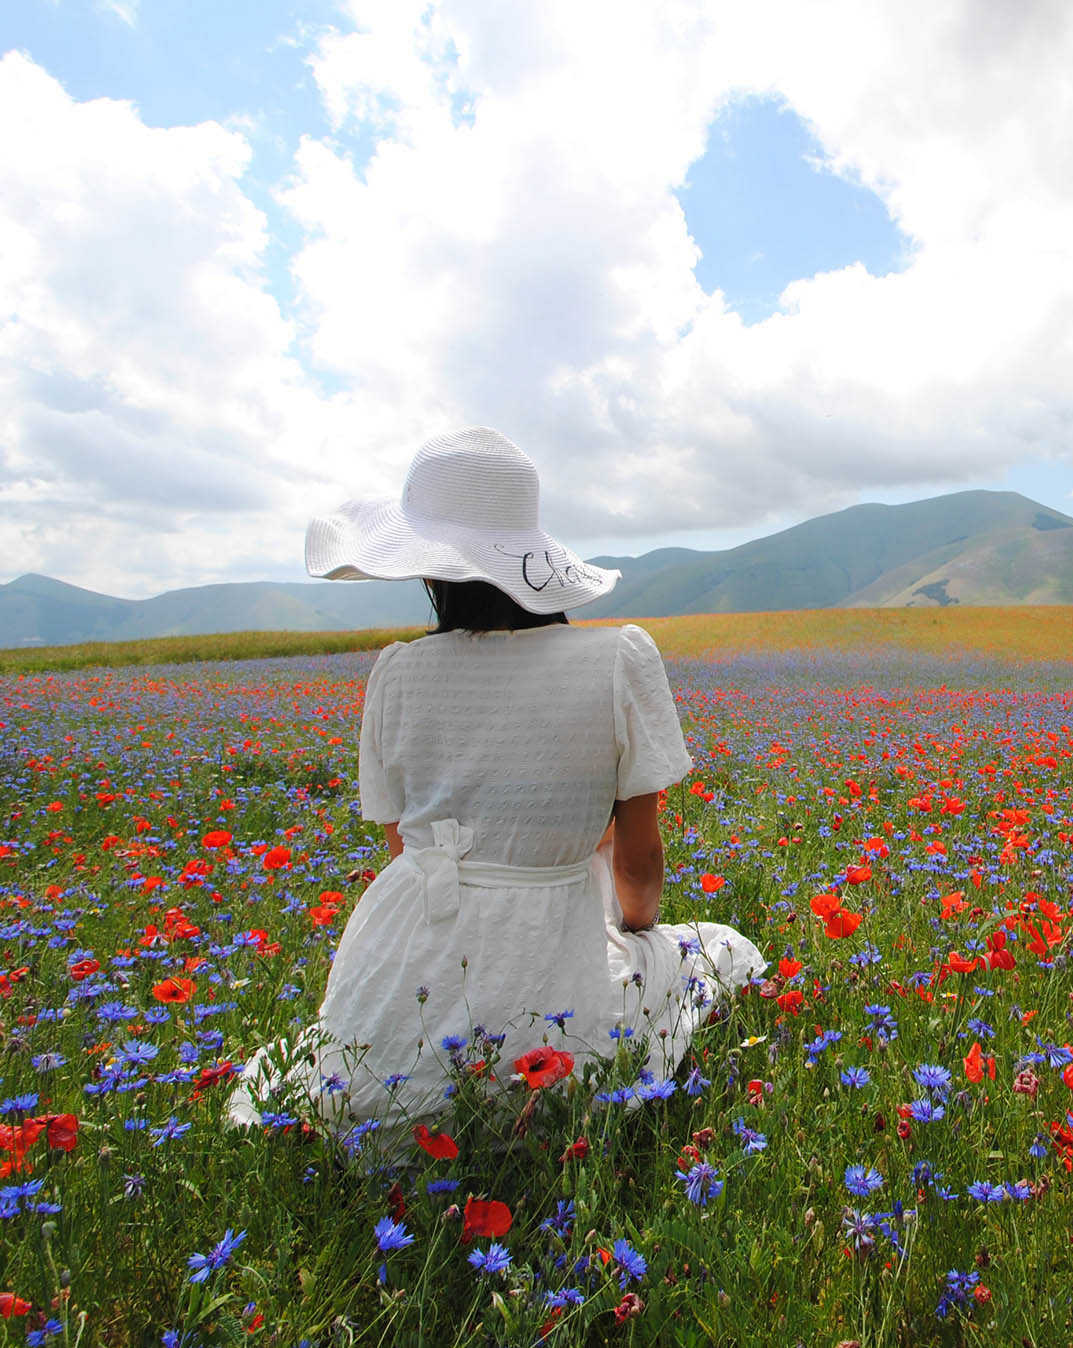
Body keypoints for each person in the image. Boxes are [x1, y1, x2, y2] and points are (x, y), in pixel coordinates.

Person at [228, 427, 765, 1137]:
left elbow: (407, 851)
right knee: (721, 951)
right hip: (553, 947)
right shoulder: (616, 659)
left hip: (403, 954)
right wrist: (634, 935)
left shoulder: (395, 673)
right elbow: (639, 862)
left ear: (428, 572)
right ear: (534, 558)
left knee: (376, 1085)